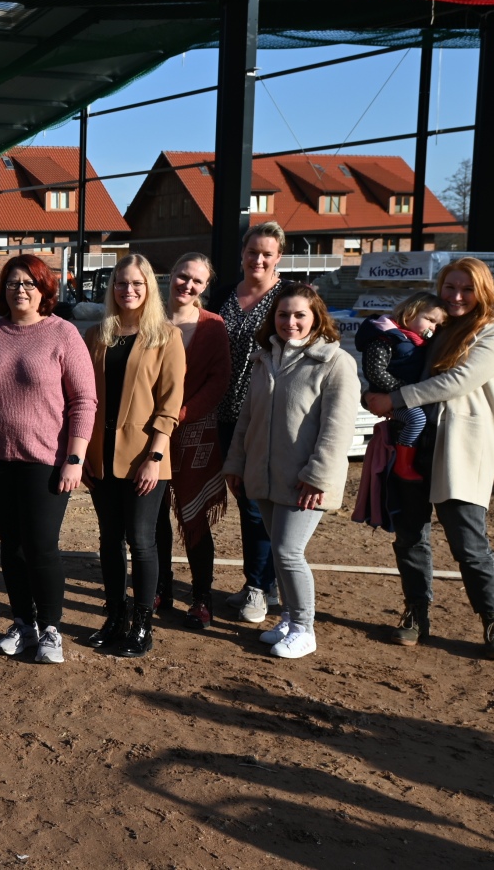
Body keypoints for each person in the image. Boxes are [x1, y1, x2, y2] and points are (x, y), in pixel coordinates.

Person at [365, 257, 494, 660]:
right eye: (450, 287)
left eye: (467, 289)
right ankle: (416, 613)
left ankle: (493, 622)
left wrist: (395, 399)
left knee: (469, 543)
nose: (457, 296)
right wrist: (374, 392)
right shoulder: (436, 326)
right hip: (414, 443)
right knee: (410, 536)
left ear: (483, 291)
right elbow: (401, 361)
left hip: (460, 450)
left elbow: (459, 380)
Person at [0, 254, 95, 665]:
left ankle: (51, 628)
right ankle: (23, 622)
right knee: (11, 545)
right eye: (12, 283)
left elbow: (83, 400)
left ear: (44, 289)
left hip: (46, 460)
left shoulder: (63, 333)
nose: (20, 290)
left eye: (29, 283)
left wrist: (75, 457)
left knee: (41, 546)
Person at [222, 283, 359, 659]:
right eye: (283, 314)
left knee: (287, 552)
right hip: (265, 475)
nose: (291, 322)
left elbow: (338, 427)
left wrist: (318, 475)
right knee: (278, 551)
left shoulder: (335, 363)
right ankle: (287, 620)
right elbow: (247, 419)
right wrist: (236, 463)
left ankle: (303, 628)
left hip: (305, 481)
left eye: (300, 314)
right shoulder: (263, 360)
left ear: (316, 318)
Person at [79, 255, 184, 658]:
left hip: (145, 457)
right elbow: (83, 397)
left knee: (141, 541)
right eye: (121, 283)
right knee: (109, 540)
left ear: (149, 288)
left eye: (137, 284)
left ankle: (142, 624)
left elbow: (169, 405)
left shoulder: (166, 336)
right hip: (100, 455)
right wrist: (82, 453)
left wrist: (155, 457)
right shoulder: (97, 335)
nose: (129, 290)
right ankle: (115, 615)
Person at [155, 253, 231, 629]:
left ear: (205, 287)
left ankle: (202, 596)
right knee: (152, 516)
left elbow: (219, 380)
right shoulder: (149, 319)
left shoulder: (213, 325)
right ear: (172, 274)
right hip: (150, 431)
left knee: (195, 517)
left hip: (195, 431)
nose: (188, 285)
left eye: (197, 281)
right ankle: (160, 587)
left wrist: (181, 414)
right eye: (183, 276)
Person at [215, 222, 286, 624]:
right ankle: (260, 581)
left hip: (263, 415)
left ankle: (260, 587)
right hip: (222, 413)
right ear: (242, 253)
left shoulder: (288, 299)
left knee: (257, 502)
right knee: (244, 498)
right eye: (252, 251)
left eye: (266, 254)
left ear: (278, 258)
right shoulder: (225, 293)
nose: (258, 259)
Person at [355, 292, 447, 481]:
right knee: (417, 420)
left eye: (437, 325)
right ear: (410, 312)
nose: (433, 327)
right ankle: (403, 464)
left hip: (404, 396)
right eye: (430, 320)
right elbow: (375, 372)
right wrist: (400, 390)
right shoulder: (384, 337)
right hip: (389, 395)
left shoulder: (415, 341)